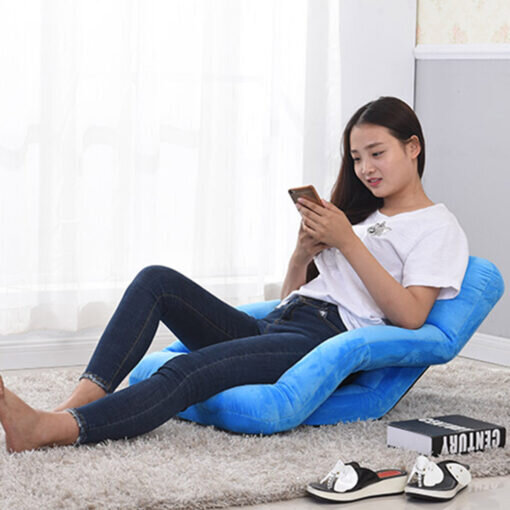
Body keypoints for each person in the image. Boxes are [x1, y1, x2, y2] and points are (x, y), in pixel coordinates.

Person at [0, 96, 469, 453]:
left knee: (185, 369)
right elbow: (291, 299)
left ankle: (53, 429)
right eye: (356, 157)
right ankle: (78, 402)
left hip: (322, 341)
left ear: (412, 147)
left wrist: (347, 241)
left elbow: (412, 316)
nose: (365, 168)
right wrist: (300, 256)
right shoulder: (362, 216)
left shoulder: (436, 226)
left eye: (376, 153)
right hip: (282, 325)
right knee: (155, 280)